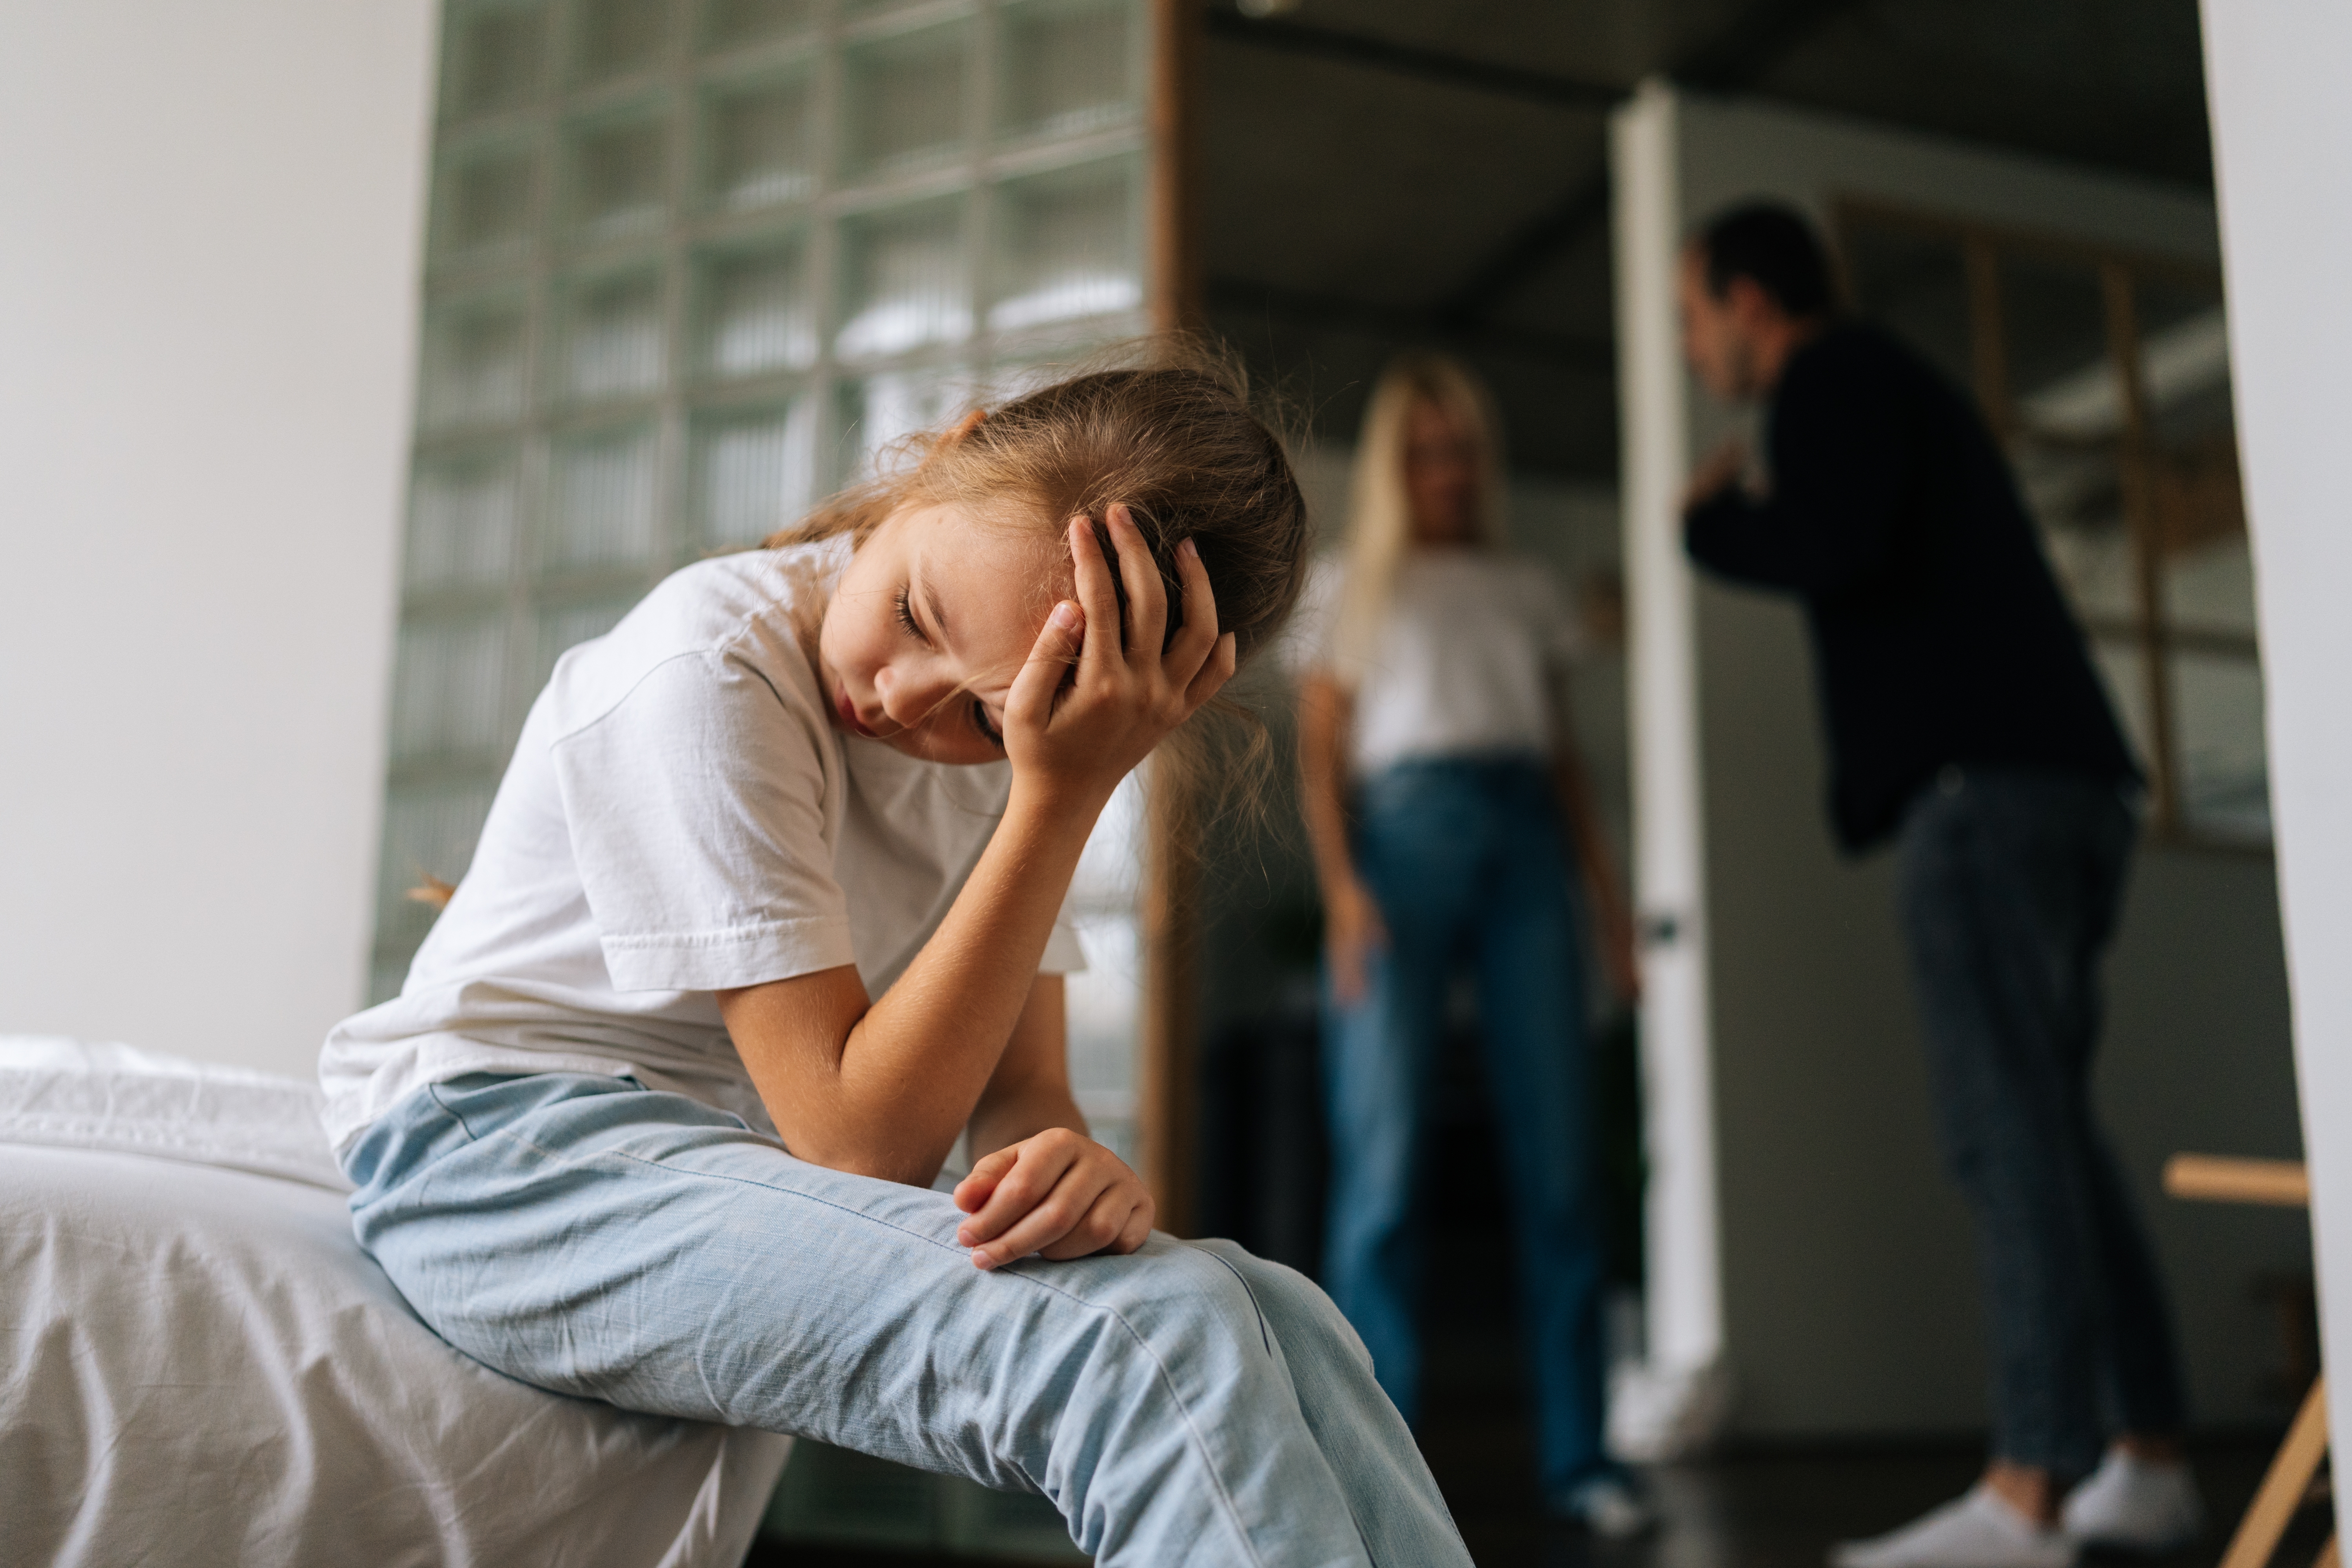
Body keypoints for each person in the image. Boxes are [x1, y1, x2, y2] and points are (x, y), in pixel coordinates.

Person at [319, 345, 1476, 1568]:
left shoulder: (1022, 746)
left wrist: (1062, 1160)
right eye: (920, 615)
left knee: (1284, 1315)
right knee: (1148, 1345)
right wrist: (1058, 794)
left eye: (984, 713)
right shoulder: (710, 668)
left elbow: (1021, 1091)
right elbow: (859, 1146)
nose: (903, 701)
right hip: (490, 1153)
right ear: (943, 452)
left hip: (695, 1156)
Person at [1675, 203, 2201, 1568]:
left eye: (1692, 317)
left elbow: (1832, 547)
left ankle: (2030, 1489)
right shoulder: (1896, 383)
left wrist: (1712, 526)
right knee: (2054, 1134)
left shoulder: (1833, 381)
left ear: (1747, 300)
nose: (1693, 349)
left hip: (1984, 799)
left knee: (2004, 1134)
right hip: (2064, 787)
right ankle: (2146, 1459)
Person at [1291, 354, 1646, 1534]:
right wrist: (1344, 894)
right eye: (1424, 451)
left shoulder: (1523, 585)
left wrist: (1608, 908)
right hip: (1403, 842)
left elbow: (1564, 760)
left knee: (1563, 1173)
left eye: (1463, 450)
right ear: (1396, 467)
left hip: (1527, 850)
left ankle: (1583, 1461)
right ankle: (1369, 1471)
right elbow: (1319, 751)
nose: (1448, 471)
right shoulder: (1353, 585)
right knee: (1382, 1167)